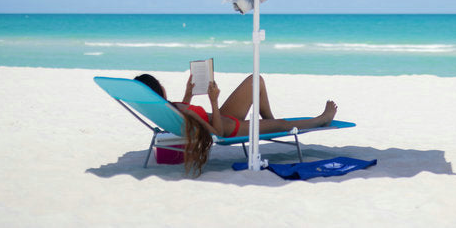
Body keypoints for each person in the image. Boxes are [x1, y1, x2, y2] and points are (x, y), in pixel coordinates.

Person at [134, 73, 338, 176]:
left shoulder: (168, 109)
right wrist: (213, 99)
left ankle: (269, 121)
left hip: (222, 116)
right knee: (285, 124)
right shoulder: (180, 111)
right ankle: (321, 119)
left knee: (255, 80)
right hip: (230, 128)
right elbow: (218, 133)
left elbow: (186, 113)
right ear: (159, 88)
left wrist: (189, 91)